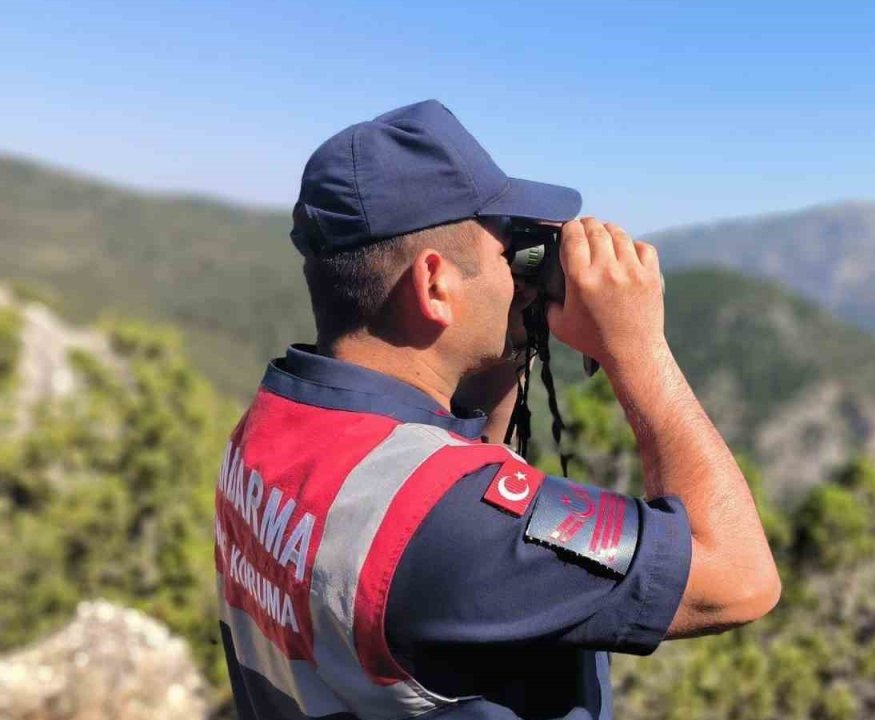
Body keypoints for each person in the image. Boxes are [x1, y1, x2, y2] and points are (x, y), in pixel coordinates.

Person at [213, 99, 781, 720]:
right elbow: (740, 579)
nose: (519, 273)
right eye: (506, 251)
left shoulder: (270, 427)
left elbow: (447, 485)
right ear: (435, 285)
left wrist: (505, 342)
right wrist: (638, 348)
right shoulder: (450, 522)